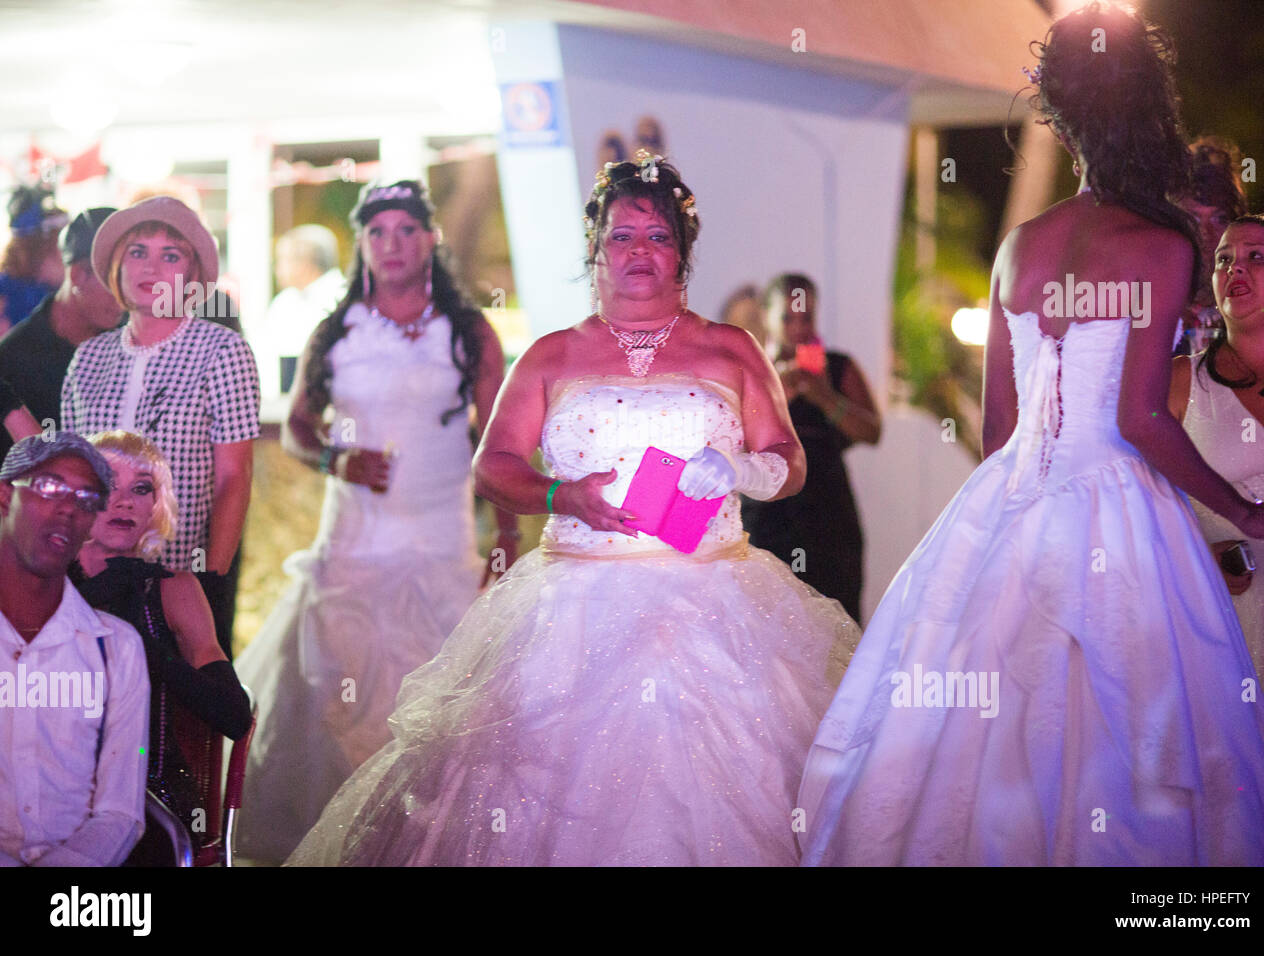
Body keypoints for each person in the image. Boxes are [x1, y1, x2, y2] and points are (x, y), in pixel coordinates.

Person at [799, 2, 1264, 866]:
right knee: (1135, 739)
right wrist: (1245, 514)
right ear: (1149, 113)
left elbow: (999, 428)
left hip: (1011, 501)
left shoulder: (1018, 249)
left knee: (982, 736)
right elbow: (1142, 420)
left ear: (1061, 122)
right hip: (1120, 512)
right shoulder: (1158, 245)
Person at [287, 151, 858, 867]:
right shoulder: (553, 355)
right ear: (596, 251)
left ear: (682, 253)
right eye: (622, 236)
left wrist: (740, 467)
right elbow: (493, 467)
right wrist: (563, 495)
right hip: (576, 606)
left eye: (658, 237)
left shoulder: (730, 348)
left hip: (715, 595)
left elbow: (791, 462)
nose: (639, 252)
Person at [235, 180, 513, 863]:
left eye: (406, 229)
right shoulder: (336, 330)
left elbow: (498, 444)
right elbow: (298, 427)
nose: (392, 244)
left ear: (429, 240)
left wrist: (505, 536)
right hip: (353, 548)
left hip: (442, 546)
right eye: (378, 231)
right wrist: (336, 457)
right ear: (363, 243)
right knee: (339, 706)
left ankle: (426, 844)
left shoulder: (470, 331)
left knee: (439, 707)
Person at [60, 197, 260, 659]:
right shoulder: (88, 359)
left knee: (178, 718)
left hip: (175, 579)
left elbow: (235, 478)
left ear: (191, 275)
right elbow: (74, 475)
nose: (152, 266)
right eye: (137, 251)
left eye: (171, 255)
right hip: (89, 579)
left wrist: (210, 580)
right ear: (116, 267)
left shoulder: (221, 351)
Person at [71, 430, 252, 863]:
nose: (125, 500)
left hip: (153, 795)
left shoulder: (175, 589)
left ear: (156, 507)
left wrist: (144, 652)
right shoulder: (41, 584)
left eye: (141, 488)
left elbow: (233, 714)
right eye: (107, 483)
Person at [1171, 211, 1264, 788]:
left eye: (1255, 257)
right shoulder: (1179, 383)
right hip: (1227, 623)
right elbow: (1141, 504)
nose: (1234, 269)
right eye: (1224, 259)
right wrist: (1204, 551)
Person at [0, 432, 148, 866]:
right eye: (49, 487)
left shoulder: (116, 648)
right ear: (5, 496)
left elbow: (121, 812)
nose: (68, 508)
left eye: (86, 499)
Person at [742, 273, 881, 623]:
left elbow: (872, 431)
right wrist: (777, 398)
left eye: (807, 317)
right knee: (770, 618)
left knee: (839, 613)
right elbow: (732, 441)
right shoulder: (751, 372)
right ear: (767, 316)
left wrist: (825, 397)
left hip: (827, 511)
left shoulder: (837, 367)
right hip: (768, 509)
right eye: (788, 317)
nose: (798, 327)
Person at [0, 207, 121, 460]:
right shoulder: (14, 359)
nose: (125, 296)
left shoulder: (137, 344)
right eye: (114, 281)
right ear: (77, 274)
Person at [248, 225, 347, 423]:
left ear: (305, 262)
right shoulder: (285, 301)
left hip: (335, 414)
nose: (277, 268)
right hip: (284, 410)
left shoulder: (342, 298)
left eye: (282, 260)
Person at [1174, 137, 1247, 356]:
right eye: (1193, 219)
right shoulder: (1146, 311)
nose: (1205, 234)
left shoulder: (1255, 311)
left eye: (1219, 219)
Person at [0, 185, 67, 335]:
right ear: (38, 252)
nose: (68, 260)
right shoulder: (5, 294)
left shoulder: (60, 294)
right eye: (62, 249)